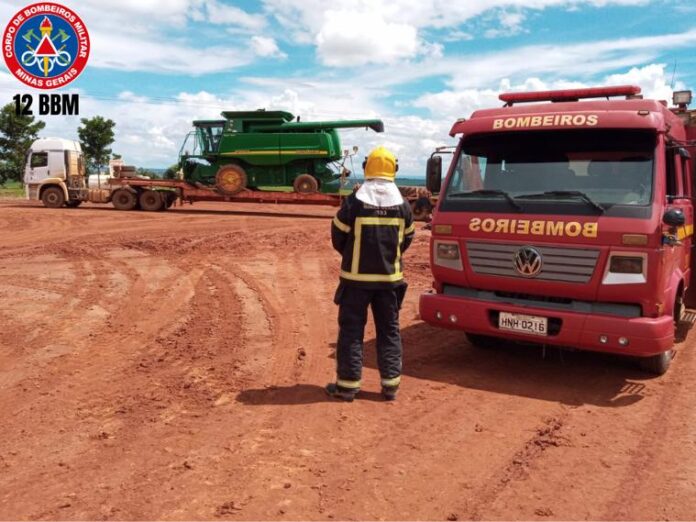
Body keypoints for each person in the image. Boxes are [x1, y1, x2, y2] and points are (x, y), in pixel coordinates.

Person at [326, 146, 415, 402]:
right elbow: (406, 240)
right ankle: (390, 386)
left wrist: (352, 255)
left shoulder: (354, 202)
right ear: (394, 169)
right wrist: (387, 258)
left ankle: (347, 387)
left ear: (367, 167)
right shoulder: (403, 206)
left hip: (355, 282)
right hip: (389, 282)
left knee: (351, 332)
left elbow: (338, 236)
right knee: (389, 332)